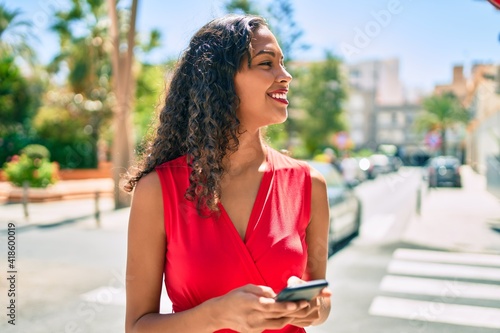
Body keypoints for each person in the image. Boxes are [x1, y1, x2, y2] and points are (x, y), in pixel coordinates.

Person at [124, 14, 331, 333]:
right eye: (266, 63)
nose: (285, 75)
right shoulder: (158, 189)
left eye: (283, 63)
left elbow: (320, 294)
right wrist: (215, 316)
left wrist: (315, 309)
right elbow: (138, 327)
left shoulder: (309, 184)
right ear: (220, 79)